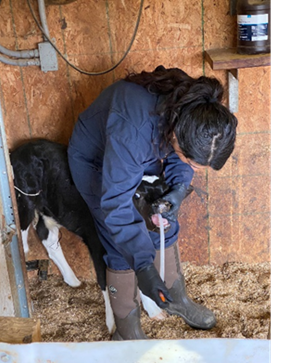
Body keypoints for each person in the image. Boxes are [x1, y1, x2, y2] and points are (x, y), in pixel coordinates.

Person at [67, 66, 237, 340]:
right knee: (118, 242)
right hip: (96, 161)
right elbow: (116, 206)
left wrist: (178, 189)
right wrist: (144, 266)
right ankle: (127, 330)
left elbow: (178, 155)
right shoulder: (134, 130)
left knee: (163, 216)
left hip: (142, 153)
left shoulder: (194, 108)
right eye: (193, 163)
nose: (195, 168)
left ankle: (176, 299)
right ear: (177, 135)